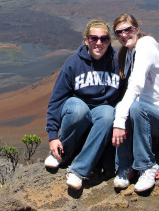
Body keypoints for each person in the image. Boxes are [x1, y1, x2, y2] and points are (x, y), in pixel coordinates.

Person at [45, 19, 121, 190]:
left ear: (110, 41)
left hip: (101, 111)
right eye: (94, 38)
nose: (99, 43)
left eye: (104, 39)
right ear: (86, 40)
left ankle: (79, 171)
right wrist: (52, 135)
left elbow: (128, 93)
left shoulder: (117, 62)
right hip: (77, 108)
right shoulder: (74, 63)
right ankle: (60, 154)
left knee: (109, 114)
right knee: (78, 109)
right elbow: (57, 99)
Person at [111, 13, 159, 192]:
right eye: (119, 32)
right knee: (121, 108)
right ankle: (125, 167)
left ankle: (148, 166)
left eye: (128, 30)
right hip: (141, 118)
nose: (124, 35)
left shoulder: (145, 46)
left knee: (135, 108)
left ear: (137, 30)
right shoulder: (130, 53)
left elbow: (136, 85)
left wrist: (118, 123)